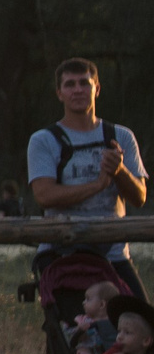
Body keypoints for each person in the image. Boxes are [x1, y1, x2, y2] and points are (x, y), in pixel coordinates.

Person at [27, 57, 147, 297]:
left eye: (85, 83)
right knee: (74, 330)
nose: (78, 90)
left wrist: (119, 171)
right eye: (70, 84)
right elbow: (44, 195)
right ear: (59, 93)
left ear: (97, 89)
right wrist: (98, 184)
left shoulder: (121, 136)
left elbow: (139, 197)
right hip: (61, 254)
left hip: (114, 254)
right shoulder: (44, 140)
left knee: (141, 322)